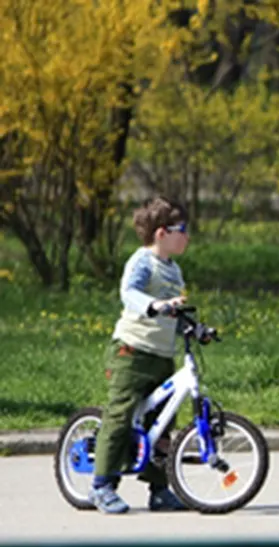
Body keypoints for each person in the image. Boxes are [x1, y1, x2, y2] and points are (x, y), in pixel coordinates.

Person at [90, 195, 191, 515]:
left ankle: (159, 489)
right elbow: (129, 293)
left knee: (161, 424)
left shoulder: (175, 271)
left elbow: (174, 312)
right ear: (162, 233)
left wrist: (194, 328)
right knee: (120, 415)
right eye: (182, 230)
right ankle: (102, 485)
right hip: (131, 352)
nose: (187, 236)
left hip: (162, 355)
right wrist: (154, 305)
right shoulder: (142, 260)